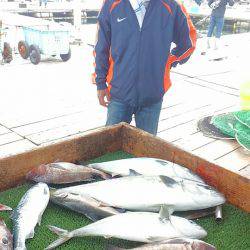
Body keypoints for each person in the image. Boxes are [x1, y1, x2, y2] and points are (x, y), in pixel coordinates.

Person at [93, 0, 196, 135]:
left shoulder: (172, 5)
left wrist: (168, 61)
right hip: (118, 93)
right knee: (110, 145)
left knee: (147, 150)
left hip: (152, 95)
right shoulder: (111, 4)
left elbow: (188, 42)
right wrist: (100, 83)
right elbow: (101, 47)